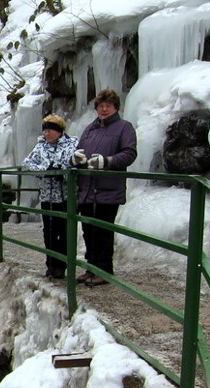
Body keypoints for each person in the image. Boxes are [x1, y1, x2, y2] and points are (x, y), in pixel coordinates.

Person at [70, 89, 137, 287]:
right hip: (87, 189)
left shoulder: (124, 127)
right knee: (88, 230)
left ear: (116, 107)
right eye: (101, 106)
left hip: (108, 189)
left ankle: (104, 270)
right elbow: (79, 151)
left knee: (103, 231)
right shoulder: (90, 129)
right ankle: (91, 267)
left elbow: (129, 153)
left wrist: (107, 161)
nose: (104, 109)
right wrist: (75, 159)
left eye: (108, 105)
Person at [22, 114, 78, 279]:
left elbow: (75, 164)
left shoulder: (71, 145)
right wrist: (46, 169)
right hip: (47, 196)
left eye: (50, 131)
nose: (47, 134)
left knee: (64, 231)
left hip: (65, 196)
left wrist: (63, 173)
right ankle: (51, 264)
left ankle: (63, 265)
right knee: (49, 231)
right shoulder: (40, 147)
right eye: (45, 131)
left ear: (59, 132)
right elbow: (27, 164)